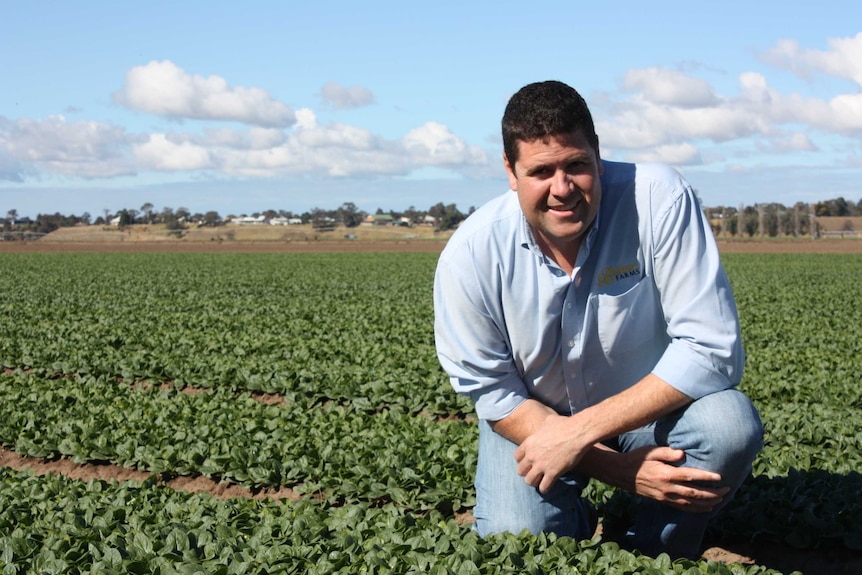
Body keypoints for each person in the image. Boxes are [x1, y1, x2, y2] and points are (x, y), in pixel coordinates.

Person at [433, 80, 763, 559]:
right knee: (519, 543)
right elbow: (493, 391)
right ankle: (576, 512)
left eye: (577, 165)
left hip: (648, 413)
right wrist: (616, 469)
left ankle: (653, 546)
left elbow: (711, 349)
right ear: (510, 170)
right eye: (541, 171)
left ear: (598, 155)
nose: (562, 189)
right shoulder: (472, 253)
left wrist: (581, 431)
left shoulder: (658, 200)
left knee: (728, 426)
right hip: (535, 418)